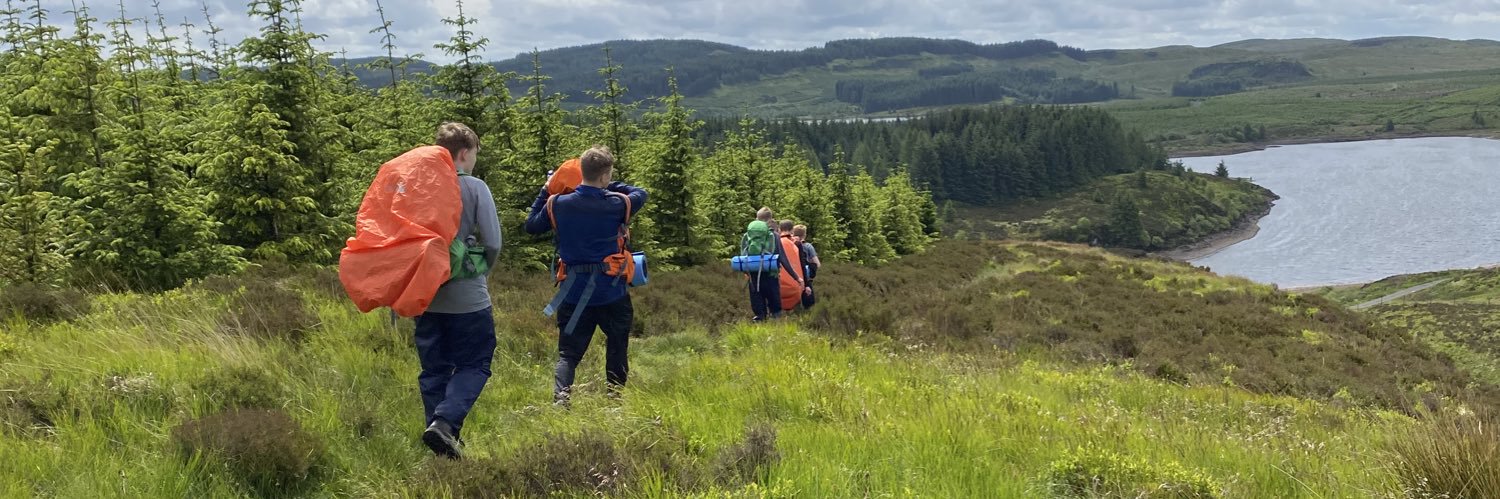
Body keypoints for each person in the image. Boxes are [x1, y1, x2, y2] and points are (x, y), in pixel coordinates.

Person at [525, 145, 647, 406]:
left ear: (581, 171)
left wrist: (547, 188)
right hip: (612, 292)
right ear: (604, 176)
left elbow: (531, 225)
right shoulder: (617, 204)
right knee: (617, 345)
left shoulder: (557, 204)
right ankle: (614, 401)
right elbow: (640, 193)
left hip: (573, 292)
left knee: (568, 353)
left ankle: (561, 398)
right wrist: (609, 184)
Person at [415, 122, 501, 459]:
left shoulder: (417, 187)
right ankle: (445, 424)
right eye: (475, 154)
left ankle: (440, 444)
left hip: (424, 295)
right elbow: (493, 242)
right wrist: (480, 272)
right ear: (464, 153)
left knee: (434, 369)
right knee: (475, 363)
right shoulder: (475, 187)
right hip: (467, 298)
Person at [743, 208, 798, 321]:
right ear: (770, 219)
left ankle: (759, 323)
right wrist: (796, 277)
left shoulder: (749, 235)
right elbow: (782, 258)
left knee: (759, 309)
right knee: (775, 309)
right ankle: (775, 325)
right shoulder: (774, 235)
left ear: (757, 218)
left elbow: (744, 254)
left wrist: (747, 271)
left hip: (754, 275)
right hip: (771, 275)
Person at [776, 220, 808, 313]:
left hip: (778, 286)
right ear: (792, 230)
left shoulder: (775, 242)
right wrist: (806, 284)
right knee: (797, 313)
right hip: (796, 285)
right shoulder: (796, 243)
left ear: (779, 229)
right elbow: (802, 265)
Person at [792, 224, 820, 309]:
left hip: (792, 277)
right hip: (805, 278)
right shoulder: (808, 246)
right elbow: (817, 264)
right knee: (809, 304)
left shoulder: (790, 244)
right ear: (804, 235)